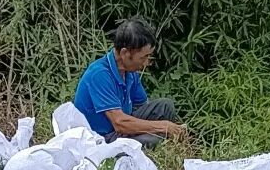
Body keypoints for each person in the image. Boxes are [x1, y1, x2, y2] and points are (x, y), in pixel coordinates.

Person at [74, 17, 186, 148]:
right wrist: (162, 126)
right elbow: (119, 123)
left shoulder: (130, 72)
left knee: (166, 106)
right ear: (125, 53)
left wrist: (165, 126)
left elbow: (142, 106)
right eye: (143, 57)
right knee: (155, 138)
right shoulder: (99, 74)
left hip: (122, 129)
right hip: (101, 138)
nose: (146, 63)